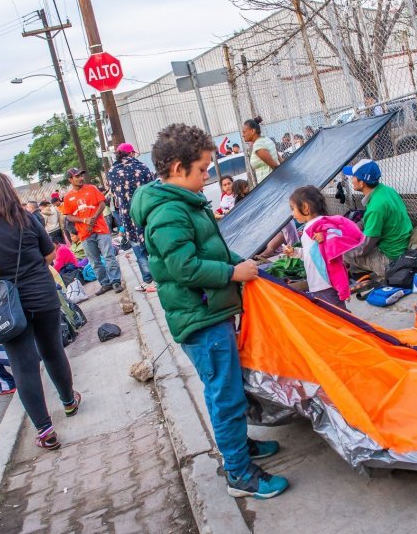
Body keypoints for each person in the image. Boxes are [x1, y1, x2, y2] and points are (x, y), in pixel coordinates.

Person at [130, 123, 288, 500]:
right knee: (226, 394)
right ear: (178, 168)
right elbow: (185, 267)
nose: (207, 177)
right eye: (202, 170)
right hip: (201, 319)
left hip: (208, 312)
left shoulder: (182, 202)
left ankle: (238, 447)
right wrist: (233, 272)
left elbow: (211, 251)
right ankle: (239, 474)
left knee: (227, 389)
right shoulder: (168, 212)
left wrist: (243, 262)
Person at [0, 171, 80, 451]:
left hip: (6, 308)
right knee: (53, 352)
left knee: (24, 366)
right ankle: (69, 402)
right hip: (42, 295)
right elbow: (49, 254)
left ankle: (45, 431)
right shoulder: (24, 216)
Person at [284, 186, 362, 311]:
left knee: (341, 317)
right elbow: (312, 254)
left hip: (326, 284)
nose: (292, 214)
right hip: (316, 285)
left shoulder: (322, 223)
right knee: (331, 317)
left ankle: (356, 330)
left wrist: (326, 235)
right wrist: (295, 252)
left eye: (293, 209)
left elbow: (342, 233)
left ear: (305, 207)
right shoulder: (307, 229)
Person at [342, 160, 413, 278]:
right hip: (402, 247)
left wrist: (342, 248)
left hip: (391, 260)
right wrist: (349, 229)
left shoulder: (376, 207)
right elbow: (366, 221)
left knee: (342, 253)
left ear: (361, 183)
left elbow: (364, 248)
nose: (351, 179)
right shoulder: (385, 190)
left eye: (353, 176)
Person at [60, 168, 124, 295]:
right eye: (77, 176)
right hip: (84, 234)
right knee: (94, 261)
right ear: (70, 180)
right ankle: (105, 283)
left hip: (100, 228)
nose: (80, 178)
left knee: (109, 255)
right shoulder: (68, 197)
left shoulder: (92, 188)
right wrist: (84, 220)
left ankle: (116, 281)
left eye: (81, 175)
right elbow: (68, 216)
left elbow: (101, 204)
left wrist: (93, 219)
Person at [105, 142, 157, 293]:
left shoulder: (112, 171)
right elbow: (153, 189)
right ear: (131, 153)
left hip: (128, 217)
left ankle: (149, 281)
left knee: (138, 249)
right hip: (147, 213)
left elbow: (114, 195)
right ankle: (163, 277)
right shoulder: (142, 168)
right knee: (153, 245)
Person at [242, 116, 279, 184]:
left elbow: (275, 166)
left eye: (244, 132)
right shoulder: (266, 139)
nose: (243, 135)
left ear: (252, 131)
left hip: (270, 185)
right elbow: (279, 160)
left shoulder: (258, 145)